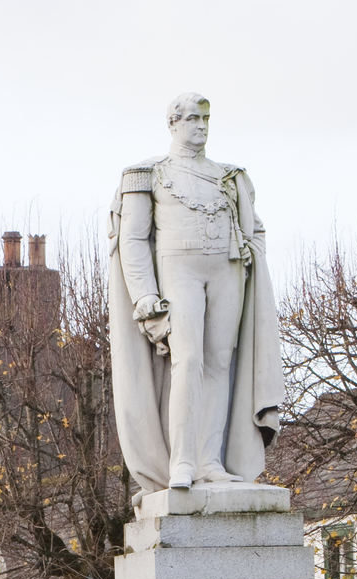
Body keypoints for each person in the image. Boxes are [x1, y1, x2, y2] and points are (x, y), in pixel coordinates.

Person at [108, 91, 284, 503]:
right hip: (178, 268)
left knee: (220, 363)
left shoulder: (230, 175)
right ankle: (182, 462)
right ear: (173, 124)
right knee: (188, 360)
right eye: (191, 119)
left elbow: (253, 229)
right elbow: (132, 240)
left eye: (205, 118)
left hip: (226, 268)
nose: (200, 126)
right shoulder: (145, 174)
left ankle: (209, 461)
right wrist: (145, 295)